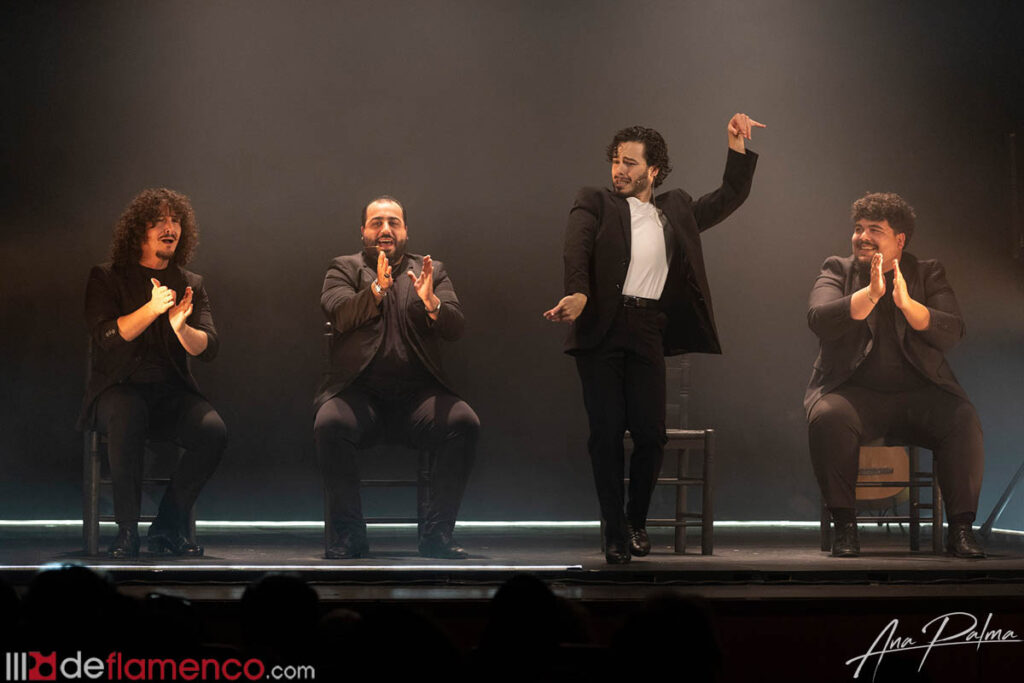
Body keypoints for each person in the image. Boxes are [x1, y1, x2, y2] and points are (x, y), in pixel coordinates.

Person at [545, 116, 763, 563]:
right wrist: (578, 293)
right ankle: (613, 533)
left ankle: (635, 522)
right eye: (615, 161)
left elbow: (731, 195)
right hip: (603, 328)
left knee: (651, 434)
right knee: (606, 434)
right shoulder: (595, 202)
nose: (619, 170)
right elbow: (576, 249)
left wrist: (735, 145)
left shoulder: (675, 209)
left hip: (647, 328)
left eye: (630, 162)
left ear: (654, 170)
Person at [806, 192, 985, 558]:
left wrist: (906, 303)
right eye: (858, 228)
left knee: (962, 418)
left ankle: (962, 530)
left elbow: (951, 331)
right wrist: (871, 294)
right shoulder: (837, 269)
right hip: (854, 396)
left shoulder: (927, 272)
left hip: (919, 397)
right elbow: (819, 319)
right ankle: (845, 529)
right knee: (828, 417)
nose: (862, 237)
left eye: (875, 230)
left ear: (899, 240)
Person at [314, 196, 479, 560]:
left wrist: (432, 302)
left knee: (464, 422)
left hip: (418, 400)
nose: (385, 229)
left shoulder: (431, 270)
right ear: (363, 231)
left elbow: (455, 327)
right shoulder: (343, 268)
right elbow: (340, 314)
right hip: (360, 397)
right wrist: (377, 289)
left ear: (406, 231)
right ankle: (350, 536)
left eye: (393, 222)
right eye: (376, 223)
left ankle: (437, 536)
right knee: (329, 424)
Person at [81, 188, 226, 559]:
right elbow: (106, 336)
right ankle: (127, 531)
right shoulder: (107, 277)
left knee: (213, 431)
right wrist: (151, 309)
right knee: (128, 411)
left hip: (170, 393)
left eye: (175, 220)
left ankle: (167, 526)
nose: (169, 227)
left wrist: (181, 327)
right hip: (118, 389)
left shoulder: (191, 282)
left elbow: (208, 347)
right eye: (159, 221)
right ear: (139, 231)